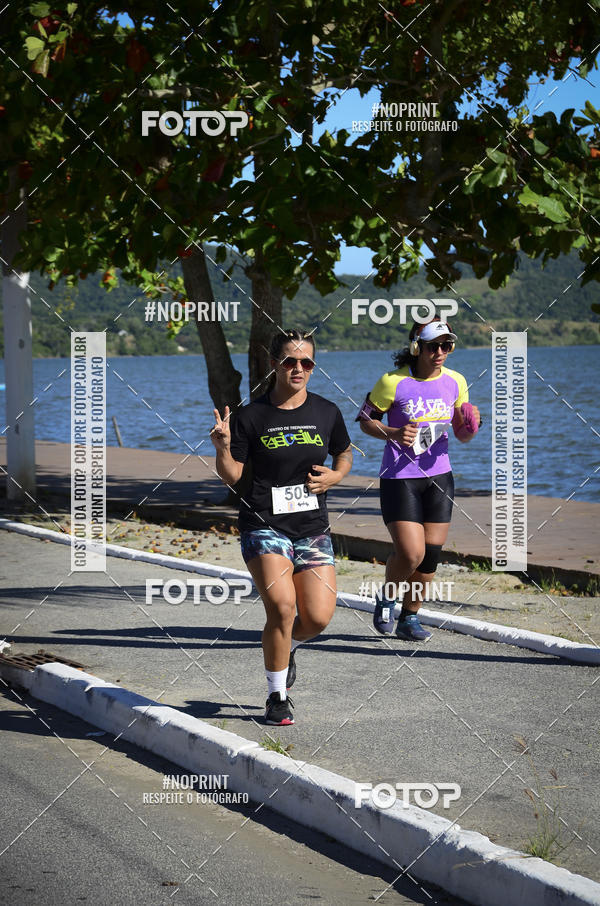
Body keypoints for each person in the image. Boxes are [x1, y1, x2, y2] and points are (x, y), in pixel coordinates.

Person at [210, 328, 353, 725]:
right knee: (282, 607)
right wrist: (222, 447)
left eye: (306, 362)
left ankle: (285, 647)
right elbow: (233, 476)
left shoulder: (326, 412)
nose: (298, 368)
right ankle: (277, 696)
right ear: (273, 364)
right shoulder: (252, 416)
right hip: (264, 524)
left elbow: (344, 454)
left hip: (312, 528)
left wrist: (335, 478)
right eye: (290, 361)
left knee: (320, 618)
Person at [357, 318, 481, 641]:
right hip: (400, 477)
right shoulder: (392, 382)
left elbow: (462, 433)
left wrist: (470, 425)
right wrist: (393, 432)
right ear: (417, 347)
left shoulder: (456, 381)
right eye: (433, 346)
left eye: (447, 345)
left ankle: (409, 618)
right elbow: (365, 420)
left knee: (429, 557)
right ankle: (387, 598)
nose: (440, 352)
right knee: (410, 553)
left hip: (440, 477)